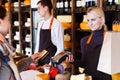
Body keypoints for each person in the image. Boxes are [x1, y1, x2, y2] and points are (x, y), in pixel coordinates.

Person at [66, 7, 112, 80]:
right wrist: (73, 61)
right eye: (88, 20)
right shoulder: (84, 41)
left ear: (102, 20)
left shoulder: (111, 39)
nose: (90, 23)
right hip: (88, 77)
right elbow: (85, 63)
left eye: (93, 20)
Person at [0, 6, 40, 80]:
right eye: (8, 20)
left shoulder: (3, 46)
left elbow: (13, 70)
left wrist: (30, 59)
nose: (10, 24)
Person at [34, 0, 64, 66]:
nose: (37, 11)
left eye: (39, 8)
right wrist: (34, 58)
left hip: (51, 64)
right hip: (39, 61)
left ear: (46, 8)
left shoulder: (57, 24)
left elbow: (61, 49)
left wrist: (51, 64)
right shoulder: (40, 24)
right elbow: (38, 44)